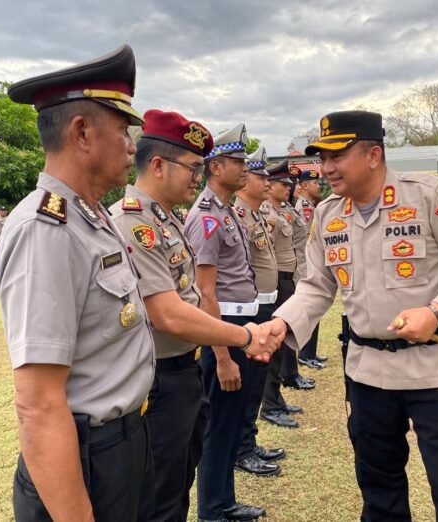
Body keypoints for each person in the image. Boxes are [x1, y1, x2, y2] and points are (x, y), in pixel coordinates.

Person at [270, 110, 438, 521]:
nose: (326, 168)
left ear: (374, 155)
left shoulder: (431, 196)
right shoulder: (328, 214)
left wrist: (436, 311)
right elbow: (316, 286)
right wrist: (282, 324)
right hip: (367, 375)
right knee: (379, 494)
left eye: (337, 156)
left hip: (435, 372)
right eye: (322, 158)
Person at [0, 44, 157, 522]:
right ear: (82, 133)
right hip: (86, 459)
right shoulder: (45, 229)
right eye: (124, 130)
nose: (133, 145)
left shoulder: (90, 216)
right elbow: (39, 405)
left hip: (122, 443)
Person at [110, 110, 278, 522]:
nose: (198, 177)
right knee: (159, 494)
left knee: (178, 482)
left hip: (181, 370)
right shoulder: (135, 221)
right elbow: (171, 312)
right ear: (157, 165)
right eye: (192, 167)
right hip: (158, 377)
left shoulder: (166, 217)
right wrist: (238, 342)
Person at [184, 124, 272, 522]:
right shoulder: (205, 218)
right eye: (236, 161)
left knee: (232, 421)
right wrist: (221, 356)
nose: (243, 168)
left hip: (242, 327)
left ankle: (224, 501)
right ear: (216, 167)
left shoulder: (225, 212)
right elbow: (205, 293)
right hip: (225, 335)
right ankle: (212, 510)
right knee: (219, 426)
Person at [234, 146, 291, 472]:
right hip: (250, 309)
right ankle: (242, 448)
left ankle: (249, 442)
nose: (267, 182)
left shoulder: (255, 214)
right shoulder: (239, 216)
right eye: (260, 176)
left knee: (255, 382)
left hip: (265, 305)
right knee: (246, 385)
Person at [261, 160, 315, 406]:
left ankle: (288, 377)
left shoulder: (284, 211)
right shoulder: (266, 214)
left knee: (288, 333)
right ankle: (272, 401)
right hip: (277, 280)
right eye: (282, 183)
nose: (288, 187)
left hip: (289, 275)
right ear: (269, 186)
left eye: (289, 183)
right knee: (276, 340)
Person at [291, 170, 326, 369]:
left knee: (314, 310)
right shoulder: (303, 208)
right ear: (304, 186)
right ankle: (305, 353)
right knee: (307, 311)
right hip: (304, 264)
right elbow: (305, 240)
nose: (318, 185)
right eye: (314, 182)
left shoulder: (310, 206)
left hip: (309, 263)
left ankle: (310, 352)